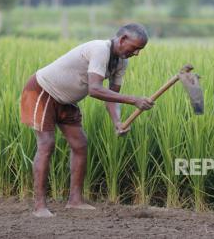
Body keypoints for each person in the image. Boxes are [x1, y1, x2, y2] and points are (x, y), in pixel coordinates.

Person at [20, 23, 154, 217]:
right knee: (46, 144)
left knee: (80, 144)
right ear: (123, 39)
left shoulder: (121, 63)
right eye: (134, 48)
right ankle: (40, 206)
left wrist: (117, 121)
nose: (136, 53)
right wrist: (134, 100)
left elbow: (110, 96)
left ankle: (75, 201)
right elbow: (95, 90)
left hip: (66, 100)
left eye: (140, 50)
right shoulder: (100, 49)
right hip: (43, 90)